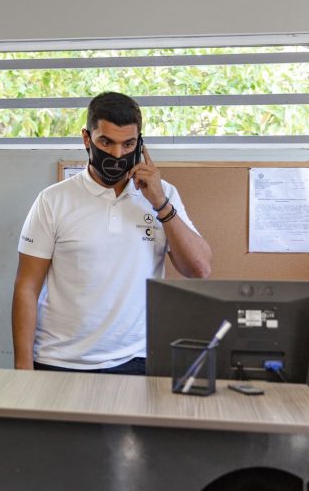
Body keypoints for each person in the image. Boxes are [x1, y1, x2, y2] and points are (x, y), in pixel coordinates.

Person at [12, 92, 211, 375]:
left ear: (140, 144)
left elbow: (199, 269)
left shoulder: (164, 195)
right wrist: (23, 368)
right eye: (106, 142)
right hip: (60, 360)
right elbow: (27, 287)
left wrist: (160, 203)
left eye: (128, 144)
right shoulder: (52, 200)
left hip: (136, 360)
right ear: (87, 139)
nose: (117, 155)